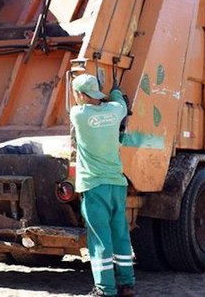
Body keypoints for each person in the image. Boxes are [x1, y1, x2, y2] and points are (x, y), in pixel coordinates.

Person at [69, 74, 135, 297]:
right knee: (120, 234)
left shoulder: (78, 114)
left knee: (100, 239)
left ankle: (105, 289)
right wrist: (115, 90)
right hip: (117, 183)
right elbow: (120, 102)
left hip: (94, 185)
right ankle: (127, 284)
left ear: (79, 95)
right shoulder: (115, 111)